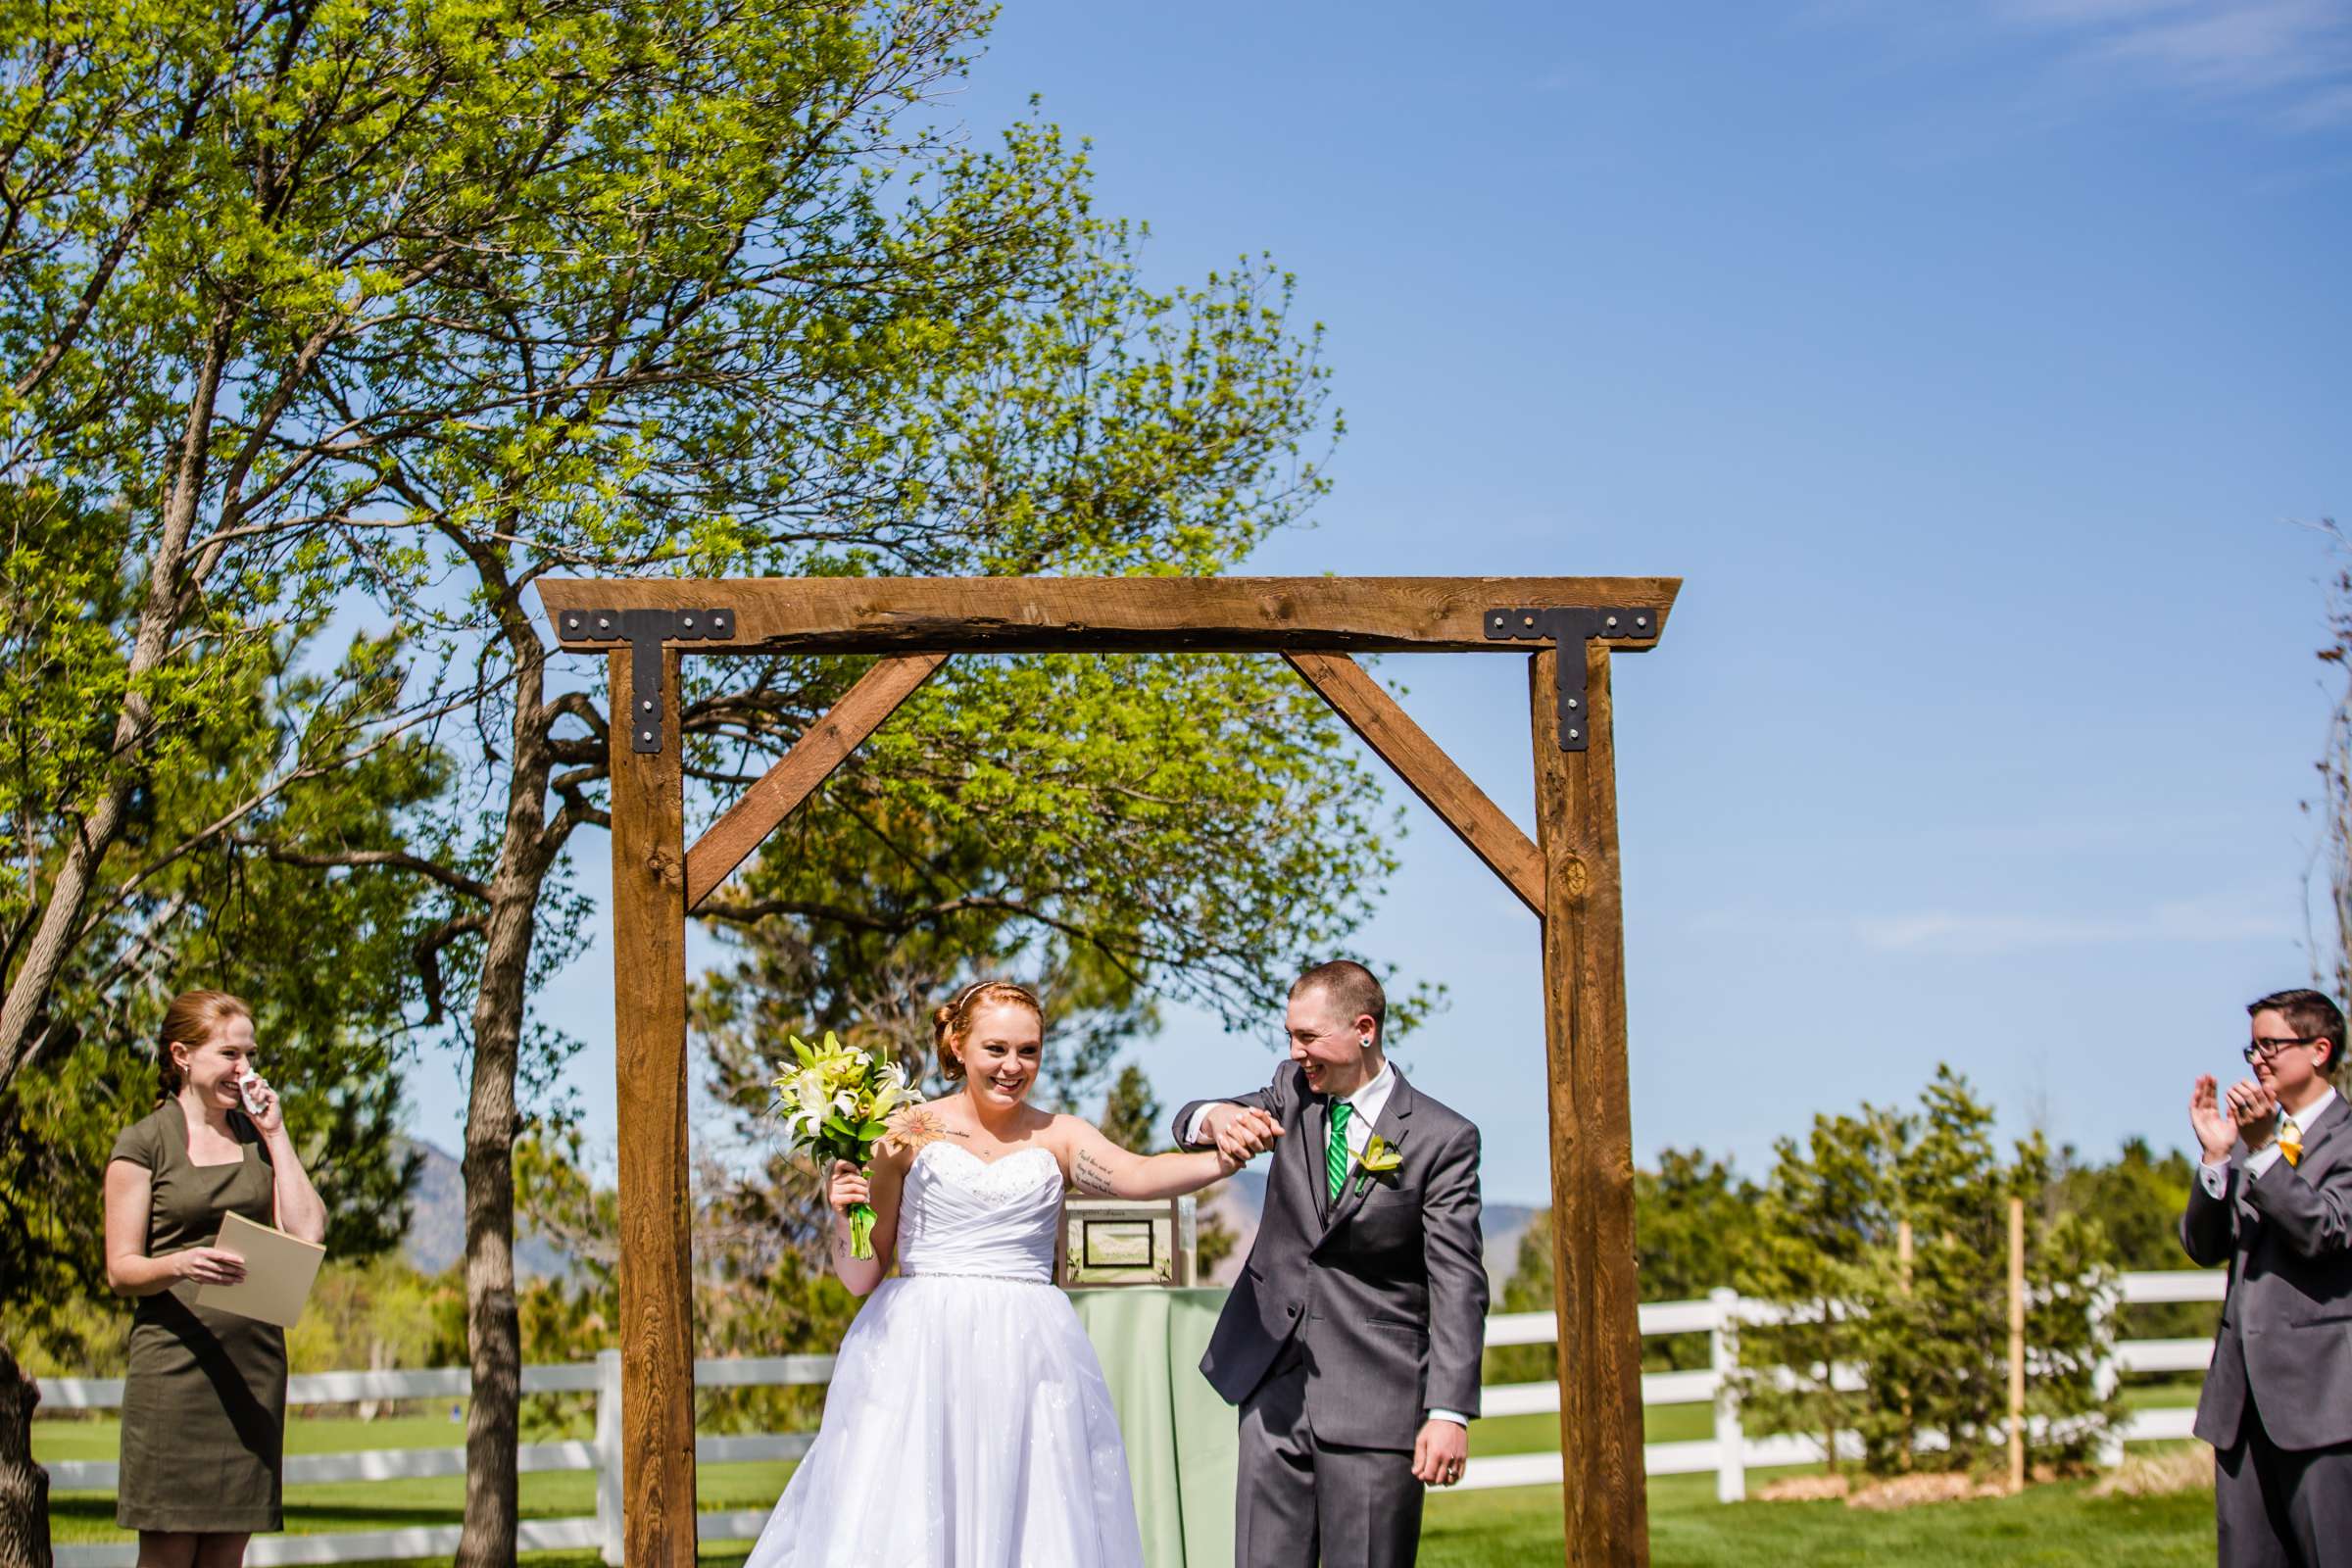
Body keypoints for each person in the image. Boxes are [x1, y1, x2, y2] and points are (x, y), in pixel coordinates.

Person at [741, 979, 1258, 1568]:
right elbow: (861, 1277)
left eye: (1029, 1051)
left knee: (1035, 1512)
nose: (1014, 1066)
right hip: (919, 1351)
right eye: (997, 1049)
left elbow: (1136, 1176)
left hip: (1030, 1351)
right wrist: (843, 1217)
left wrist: (1222, 1158)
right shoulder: (904, 1132)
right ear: (957, 1044)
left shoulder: (1059, 1135)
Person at [1172, 959, 1487, 1568]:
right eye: (1291, 1035)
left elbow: (1459, 1284)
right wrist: (1217, 1118)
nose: (1296, 1051)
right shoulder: (1291, 1090)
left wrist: (1448, 1411)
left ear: (1363, 1029)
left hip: (1377, 1397)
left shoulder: (1442, 1139)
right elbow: (1190, 1120)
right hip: (1271, 1387)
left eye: (1309, 1037)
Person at [102, 990, 327, 1568]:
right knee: (169, 1553)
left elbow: (307, 1232)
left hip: (253, 1374)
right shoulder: (143, 1143)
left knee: (227, 1557)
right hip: (175, 1377)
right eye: (230, 1054)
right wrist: (180, 1262)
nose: (245, 1069)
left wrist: (275, 1133)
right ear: (182, 1055)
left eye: (250, 1055)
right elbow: (121, 1269)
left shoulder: (257, 1139)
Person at [2181, 986, 2352, 1568]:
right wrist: (2214, 1160)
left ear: (2320, 1049)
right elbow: (2204, 1247)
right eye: (2251, 1049)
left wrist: (2262, 1155)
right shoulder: (2252, 1141)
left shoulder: (2346, 1140)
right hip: (2240, 1406)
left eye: (2270, 1046)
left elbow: (2324, 1230)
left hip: (2325, 1407)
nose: (2256, 1061)